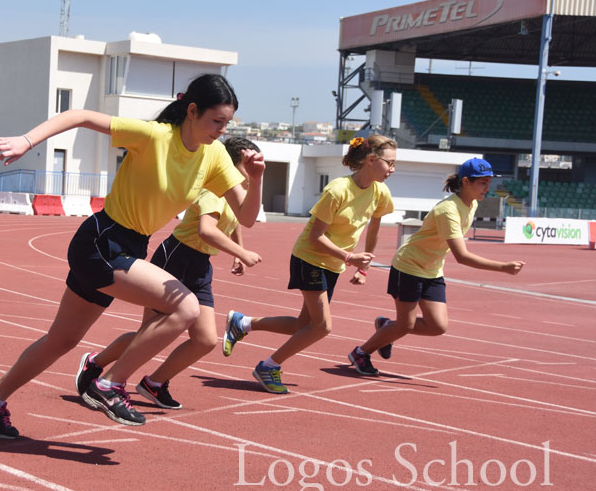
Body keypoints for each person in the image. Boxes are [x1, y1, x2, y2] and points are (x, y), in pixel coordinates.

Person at [0, 74, 265, 437]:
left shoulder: (215, 154)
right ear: (192, 110)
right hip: (102, 241)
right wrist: (25, 141)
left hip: (130, 246)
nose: (221, 130)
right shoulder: (155, 136)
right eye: (216, 121)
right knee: (186, 308)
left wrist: (256, 178)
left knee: (62, 341)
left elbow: (248, 218)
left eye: (227, 124)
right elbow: (79, 115)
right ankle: (109, 384)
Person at [74, 137, 263, 410]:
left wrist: (238, 251)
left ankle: (155, 382)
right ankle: (97, 362)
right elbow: (206, 230)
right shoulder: (214, 190)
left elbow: (235, 221)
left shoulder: (238, 193)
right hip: (177, 256)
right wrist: (242, 253)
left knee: (206, 339)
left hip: (200, 265)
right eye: (247, 164)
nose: (252, 168)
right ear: (233, 166)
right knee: (152, 331)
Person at [223, 134, 396, 393]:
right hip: (310, 258)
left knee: (303, 326)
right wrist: (350, 258)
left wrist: (363, 267)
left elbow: (373, 231)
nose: (393, 170)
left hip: (334, 264)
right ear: (371, 160)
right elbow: (316, 237)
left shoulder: (380, 193)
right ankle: (269, 366)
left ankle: (243, 323)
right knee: (322, 326)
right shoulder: (337, 190)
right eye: (389, 163)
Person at [347, 157, 525, 375]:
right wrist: (503, 267)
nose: (487, 188)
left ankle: (387, 327)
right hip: (409, 267)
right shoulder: (448, 211)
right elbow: (462, 256)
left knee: (437, 326)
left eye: (489, 183)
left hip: (431, 270)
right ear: (466, 181)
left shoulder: (473, 204)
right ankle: (361, 352)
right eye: (483, 183)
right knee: (405, 325)